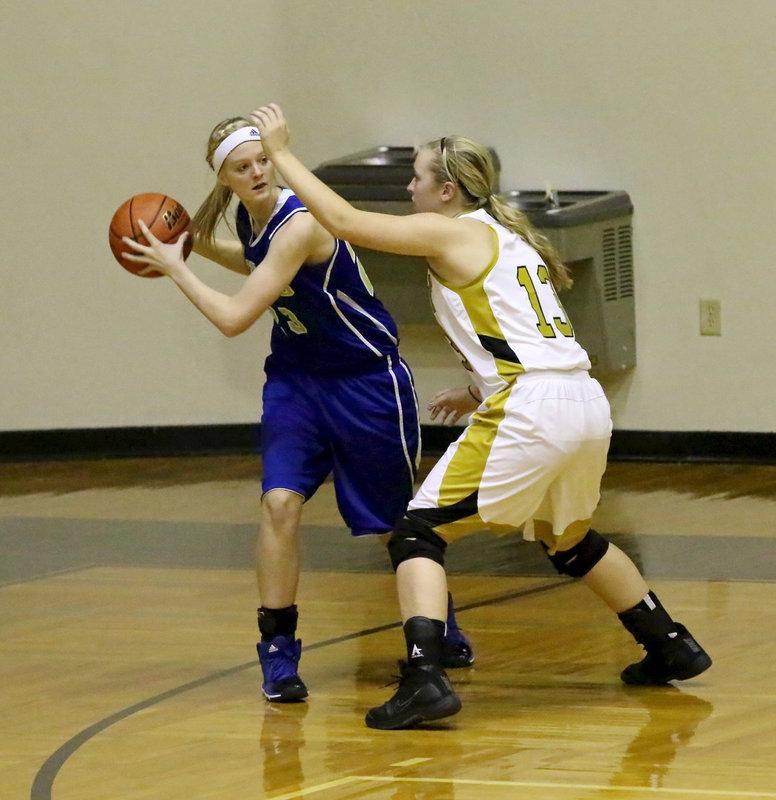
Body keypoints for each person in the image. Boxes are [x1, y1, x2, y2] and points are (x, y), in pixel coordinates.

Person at [249, 104, 712, 728]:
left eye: (416, 179)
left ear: (447, 190)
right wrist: (476, 389)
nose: (408, 189)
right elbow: (522, 334)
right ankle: (670, 644)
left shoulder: (453, 230)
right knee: (568, 538)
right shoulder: (509, 238)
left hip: (533, 407)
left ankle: (425, 677)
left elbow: (342, 220)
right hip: (579, 397)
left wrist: (279, 152)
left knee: (416, 532)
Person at [121, 117, 474, 704]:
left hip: (366, 382)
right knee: (278, 504)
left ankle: (443, 629)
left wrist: (177, 265)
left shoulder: (301, 223)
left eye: (263, 160)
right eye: (243, 167)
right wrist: (195, 240)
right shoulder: (251, 219)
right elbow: (256, 262)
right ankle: (278, 654)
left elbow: (236, 318)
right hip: (295, 381)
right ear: (226, 179)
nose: (258, 171)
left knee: (393, 526)